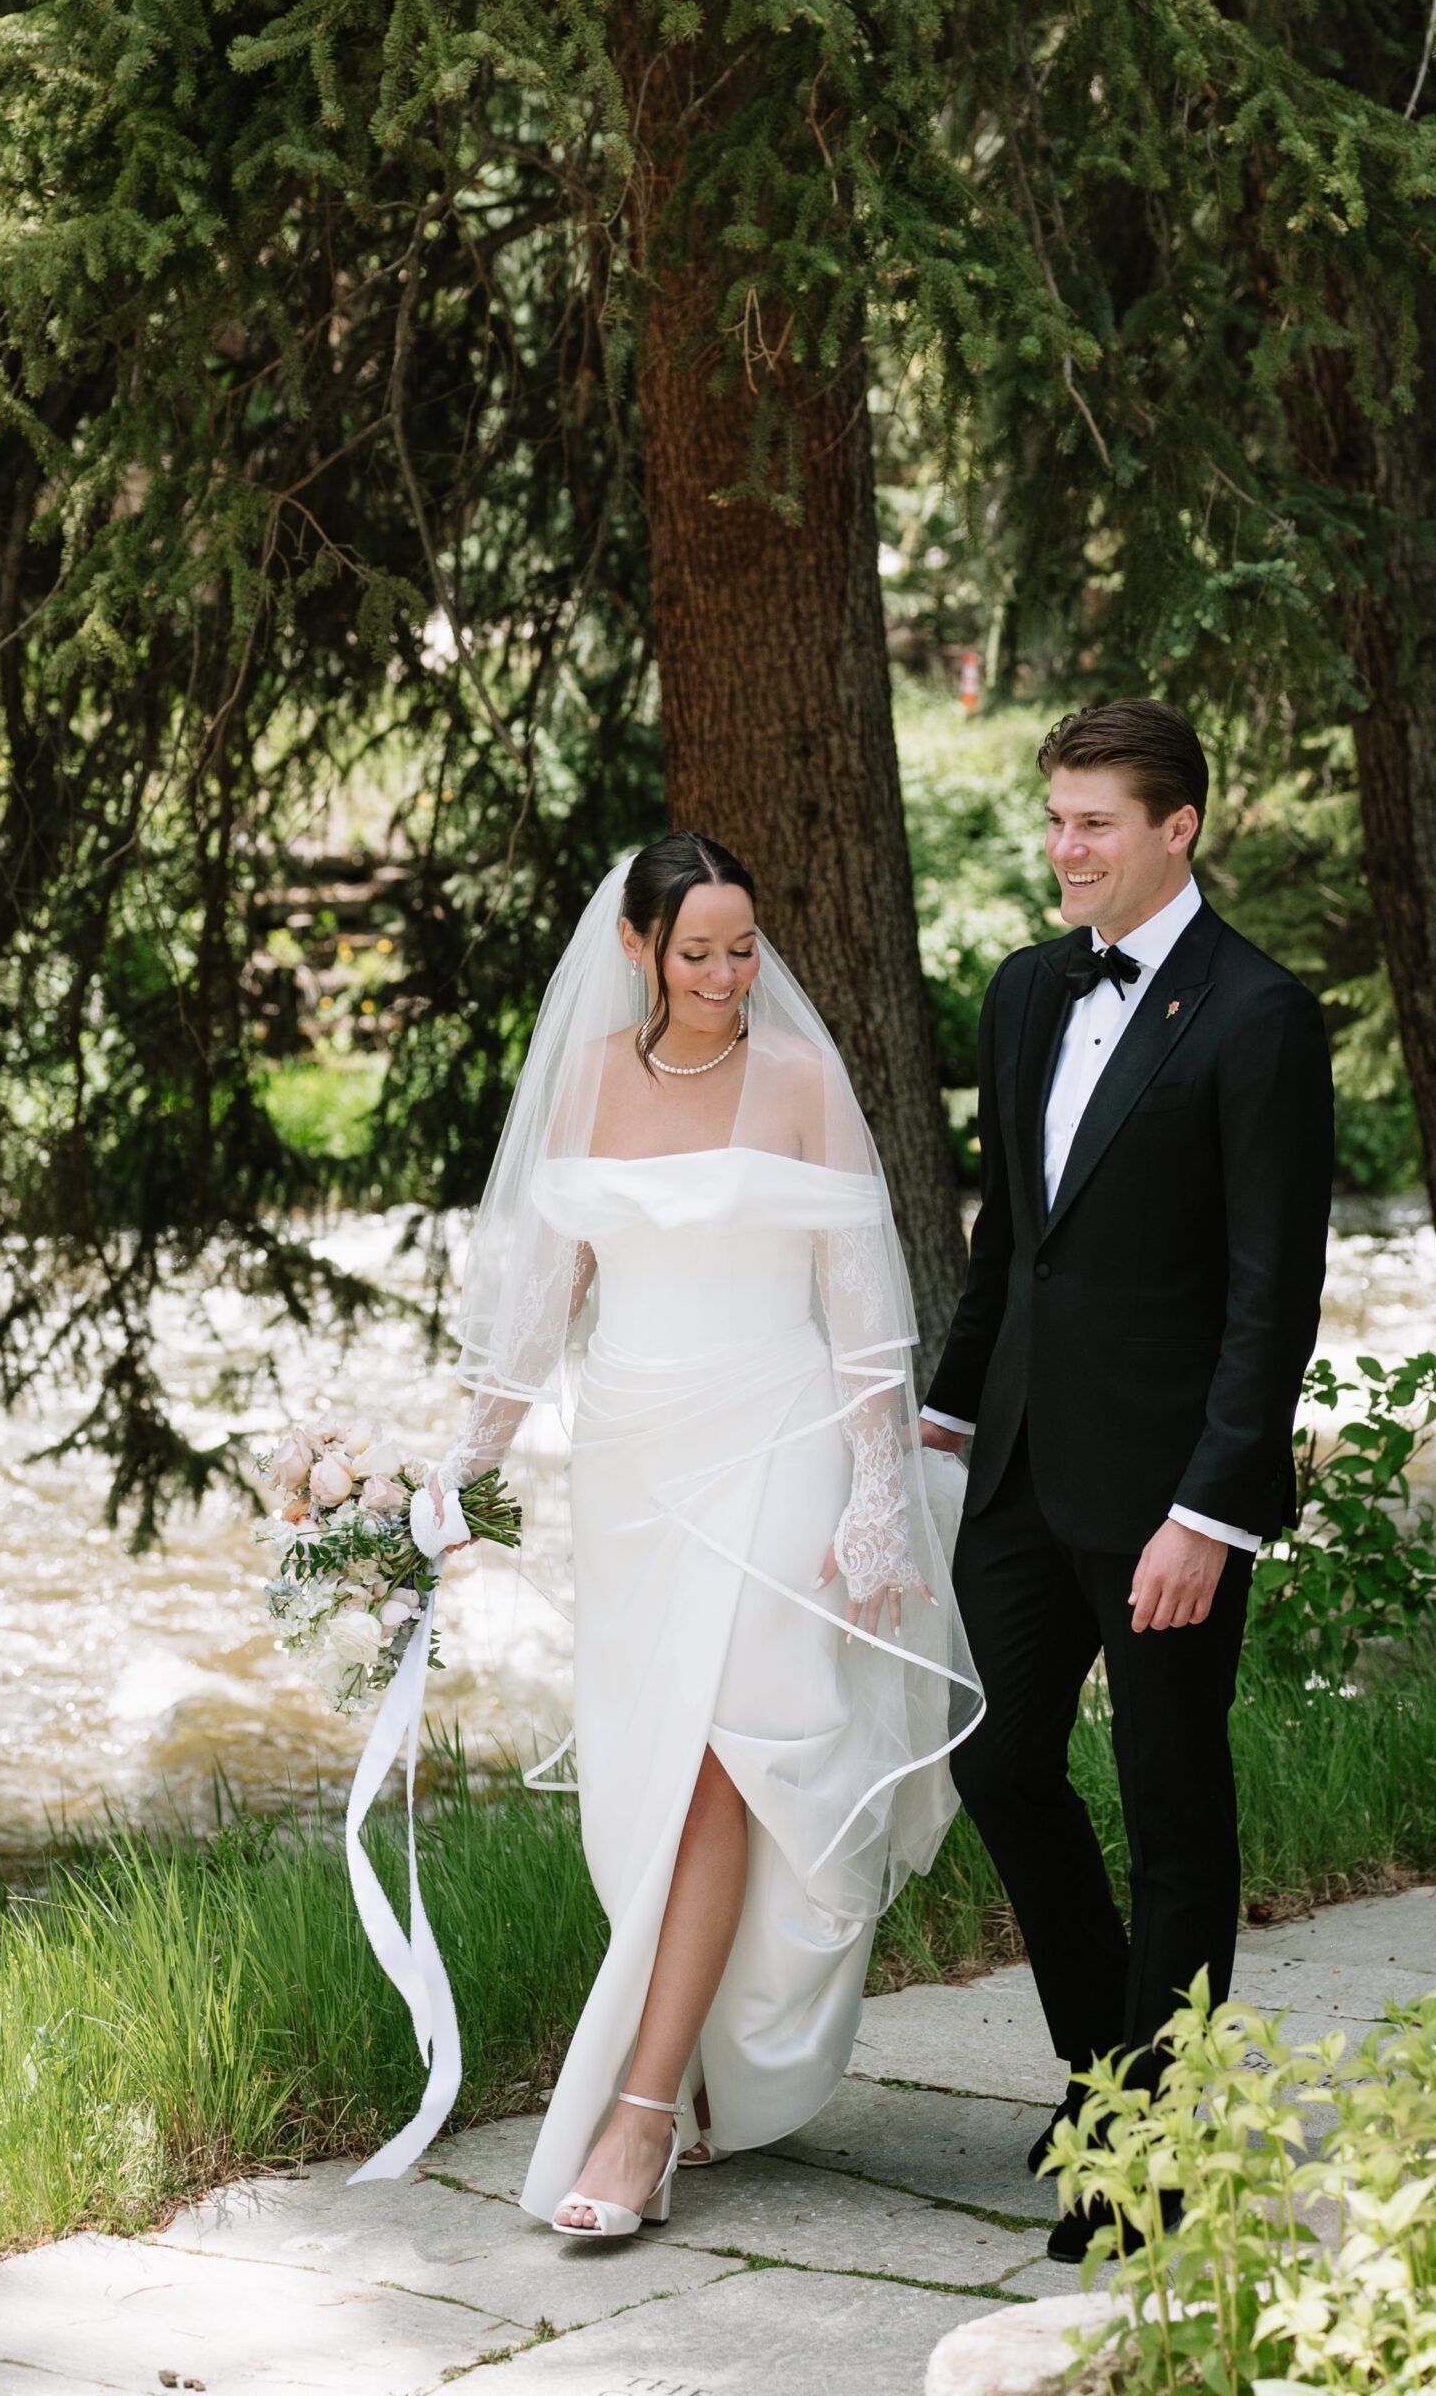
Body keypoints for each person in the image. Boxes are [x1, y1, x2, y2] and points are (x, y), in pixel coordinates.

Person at [417, 832, 983, 2240]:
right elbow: (542, 1305)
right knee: (649, 1782)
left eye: (742, 948)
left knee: (733, 1763)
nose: (728, 977)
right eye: (697, 954)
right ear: (639, 952)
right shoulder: (590, 1085)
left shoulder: (799, 1084)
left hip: (784, 1443)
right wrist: (456, 1469)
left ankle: (641, 2114)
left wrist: (871, 1488)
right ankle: (714, 2068)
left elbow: (861, 1304)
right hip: (633, 1465)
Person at [919, 700, 1334, 2263]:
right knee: (997, 1763)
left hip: (1167, 1500)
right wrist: (947, 1422)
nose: (1062, 850)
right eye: (1053, 820)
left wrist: (1210, 1514)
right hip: (1020, 1474)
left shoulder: (1257, 1016)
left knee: (1171, 1806)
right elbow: (1004, 1242)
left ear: (1177, 829)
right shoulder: (1025, 991)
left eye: (1094, 822)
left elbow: (1266, 1293)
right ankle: (1111, 2077)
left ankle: (1159, 2154)